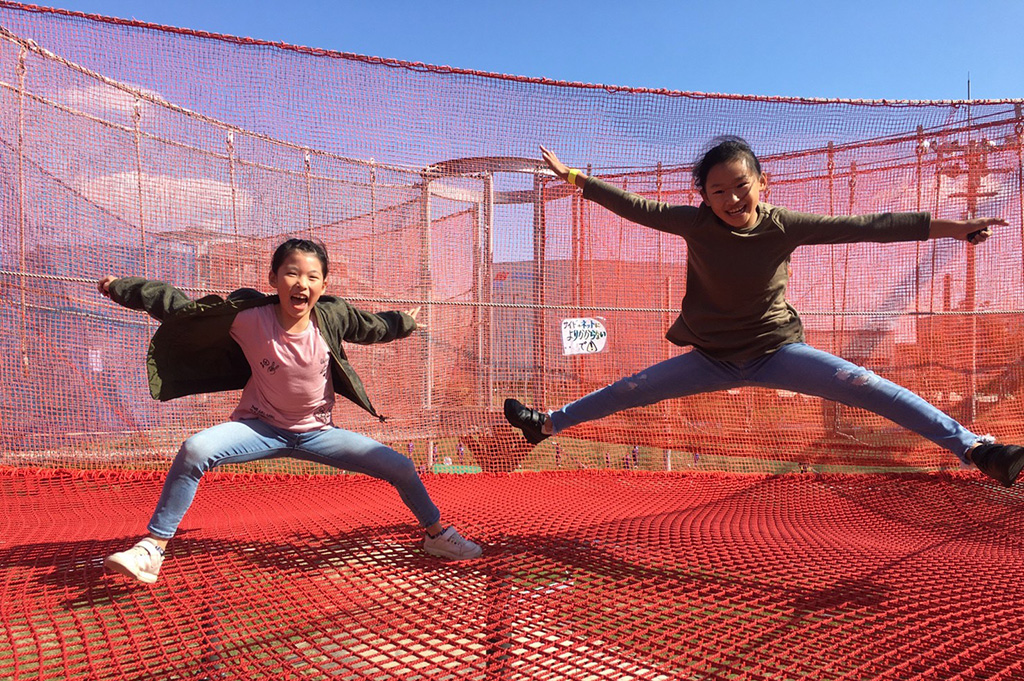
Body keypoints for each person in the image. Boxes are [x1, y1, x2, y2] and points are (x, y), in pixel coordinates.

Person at [504, 138, 1024, 487]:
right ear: (704, 198)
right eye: (718, 190)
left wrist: (952, 227)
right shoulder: (696, 224)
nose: (732, 198)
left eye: (740, 185)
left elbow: (870, 225)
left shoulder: (784, 226)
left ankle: (979, 451)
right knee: (632, 389)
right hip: (712, 356)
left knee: (868, 387)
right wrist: (575, 178)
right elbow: (638, 208)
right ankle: (544, 425)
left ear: (762, 183)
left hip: (777, 351)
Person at [101, 238, 481, 584]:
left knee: (401, 466)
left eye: (312, 276)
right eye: (292, 273)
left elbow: (371, 326)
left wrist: (405, 322)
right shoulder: (248, 317)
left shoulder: (330, 317)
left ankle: (437, 535)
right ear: (274, 278)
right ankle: (152, 549)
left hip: (318, 432)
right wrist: (122, 288)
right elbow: (178, 307)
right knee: (195, 450)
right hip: (260, 427)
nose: (302, 283)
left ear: (324, 286)